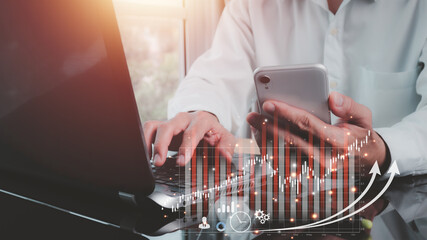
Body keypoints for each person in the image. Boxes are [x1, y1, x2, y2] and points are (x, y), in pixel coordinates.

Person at [143, 0, 427, 178]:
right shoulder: (251, 5)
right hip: (276, 208)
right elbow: (216, 75)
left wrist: (383, 148)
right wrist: (201, 112)